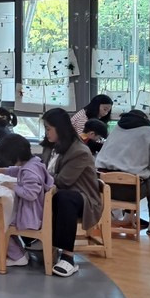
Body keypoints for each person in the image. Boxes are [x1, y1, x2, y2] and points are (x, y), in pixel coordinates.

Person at [38, 108, 103, 277]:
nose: (46, 133)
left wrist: (39, 175)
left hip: (83, 198)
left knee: (63, 198)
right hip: (56, 192)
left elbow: (63, 181)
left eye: (48, 129)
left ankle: (68, 257)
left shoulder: (79, 151)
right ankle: (33, 238)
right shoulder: (49, 146)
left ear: (60, 128)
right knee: (27, 191)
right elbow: (43, 170)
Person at [95, 109, 150, 235]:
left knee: (133, 175)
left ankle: (128, 218)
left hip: (104, 186)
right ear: (145, 120)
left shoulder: (116, 130)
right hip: (131, 190)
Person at [0, 134, 54, 267]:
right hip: (33, 211)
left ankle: (17, 256)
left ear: (15, 157)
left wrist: (13, 186)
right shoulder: (34, 162)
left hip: (31, 216)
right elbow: (19, 170)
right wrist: (0, 170)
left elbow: (30, 194)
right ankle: (19, 253)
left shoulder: (30, 171)